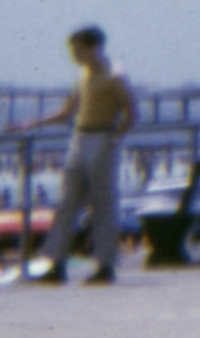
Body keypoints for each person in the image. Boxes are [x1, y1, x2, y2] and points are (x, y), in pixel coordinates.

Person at [13, 26, 134, 285]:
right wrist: (33, 123)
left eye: (79, 50)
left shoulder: (115, 75)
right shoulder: (82, 75)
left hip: (102, 137)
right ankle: (55, 264)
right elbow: (68, 111)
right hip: (79, 138)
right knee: (67, 203)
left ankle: (105, 266)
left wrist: (114, 139)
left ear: (94, 47)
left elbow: (131, 113)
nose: (75, 55)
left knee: (102, 205)